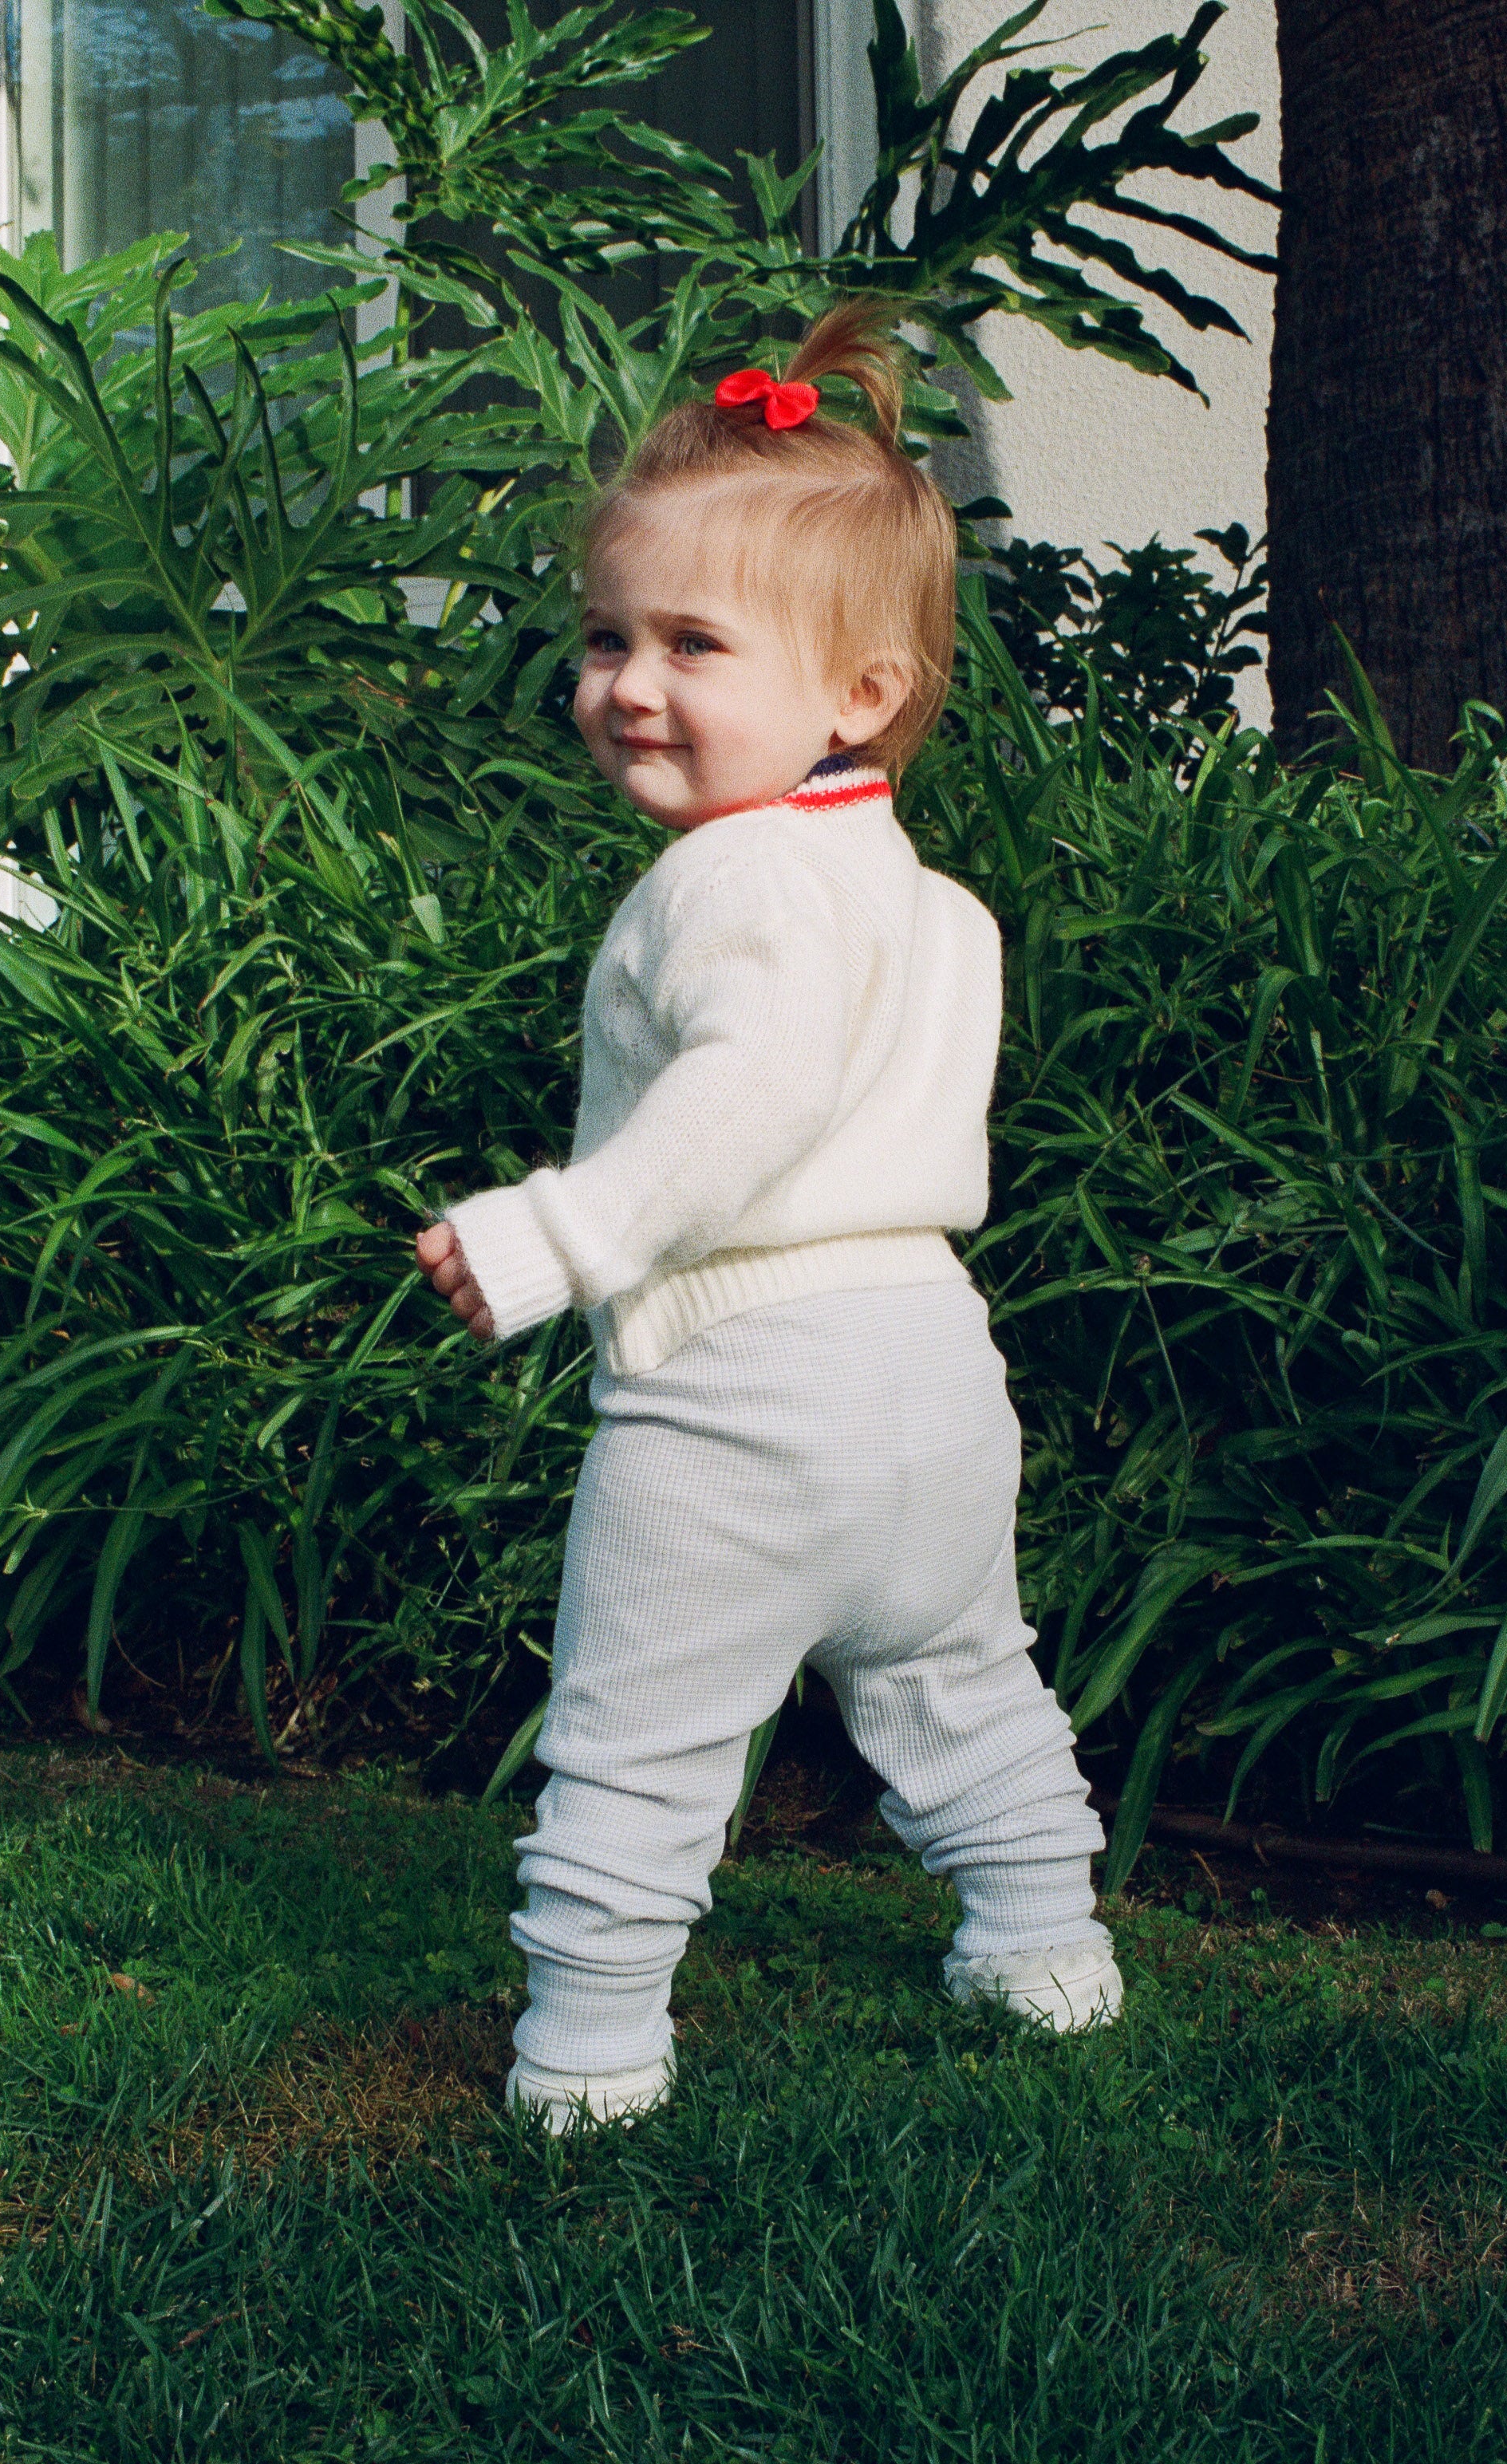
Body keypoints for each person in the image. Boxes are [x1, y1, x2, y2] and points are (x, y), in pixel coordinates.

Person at [414, 303, 1122, 2134]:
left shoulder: (729, 877)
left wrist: (557, 1234)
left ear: (857, 689)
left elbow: (751, 1096)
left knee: (637, 1735)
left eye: (690, 644)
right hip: (931, 1381)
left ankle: (585, 2056)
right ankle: (1045, 1945)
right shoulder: (937, 908)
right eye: (604, 638)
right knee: (964, 1676)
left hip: (743, 1384)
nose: (626, 683)